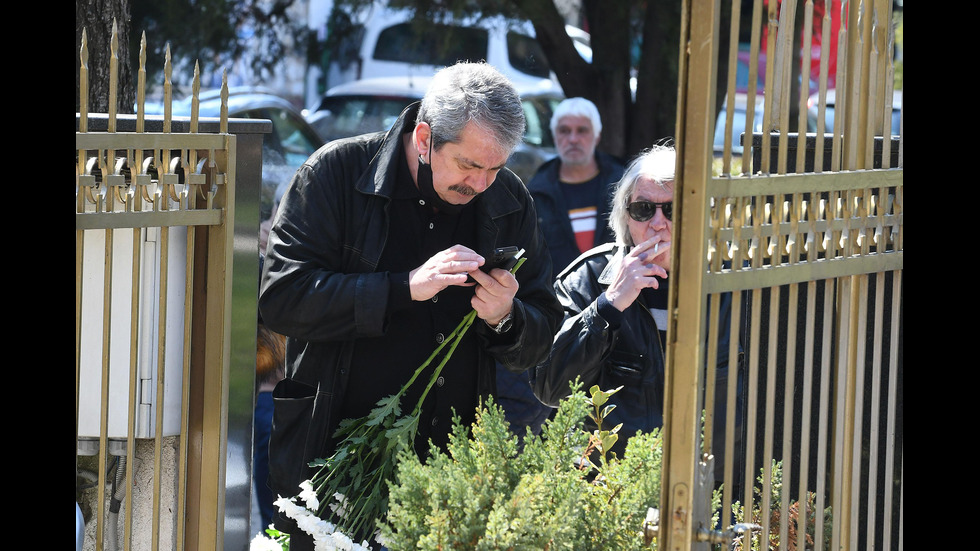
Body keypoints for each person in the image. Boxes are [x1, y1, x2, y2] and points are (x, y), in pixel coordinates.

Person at [258, 62, 563, 549]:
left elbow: (542, 331)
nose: (482, 183)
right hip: (337, 464)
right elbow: (281, 298)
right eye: (468, 165)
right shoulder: (334, 173)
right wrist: (402, 288)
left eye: (495, 167)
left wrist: (507, 317)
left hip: (453, 475)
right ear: (424, 138)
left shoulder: (509, 198)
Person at [532, 143, 743, 469]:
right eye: (644, 209)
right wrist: (608, 305)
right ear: (626, 217)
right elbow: (549, 388)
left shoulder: (734, 282)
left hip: (713, 484)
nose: (658, 223)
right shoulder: (589, 278)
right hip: (615, 486)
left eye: (673, 210)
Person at [496, 97, 625, 437]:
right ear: (555, 136)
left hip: (610, 317)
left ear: (596, 136)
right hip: (553, 318)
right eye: (564, 131)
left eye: (582, 131)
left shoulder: (624, 188)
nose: (573, 138)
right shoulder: (535, 191)